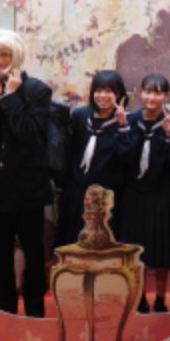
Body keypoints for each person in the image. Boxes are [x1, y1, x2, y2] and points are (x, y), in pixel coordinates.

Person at [0, 28, 53, 317]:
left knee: (33, 253)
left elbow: (27, 133)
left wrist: (10, 97)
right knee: (1, 255)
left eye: (5, 54)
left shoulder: (37, 90)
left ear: (16, 55)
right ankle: (6, 310)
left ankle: (34, 311)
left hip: (29, 187)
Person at [117, 74, 170, 313]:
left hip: (162, 194)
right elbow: (124, 157)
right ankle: (140, 296)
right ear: (140, 93)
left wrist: (169, 135)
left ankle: (161, 298)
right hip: (133, 194)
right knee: (136, 249)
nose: (152, 97)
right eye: (148, 91)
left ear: (166, 96)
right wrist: (125, 128)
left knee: (162, 248)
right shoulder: (129, 119)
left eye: (158, 92)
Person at [55, 69, 130, 247]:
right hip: (78, 193)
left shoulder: (126, 121)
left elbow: (127, 158)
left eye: (109, 91)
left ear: (119, 94)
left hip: (107, 198)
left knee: (102, 249)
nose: (102, 96)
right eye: (98, 90)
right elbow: (70, 151)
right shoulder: (80, 116)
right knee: (74, 246)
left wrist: (123, 127)